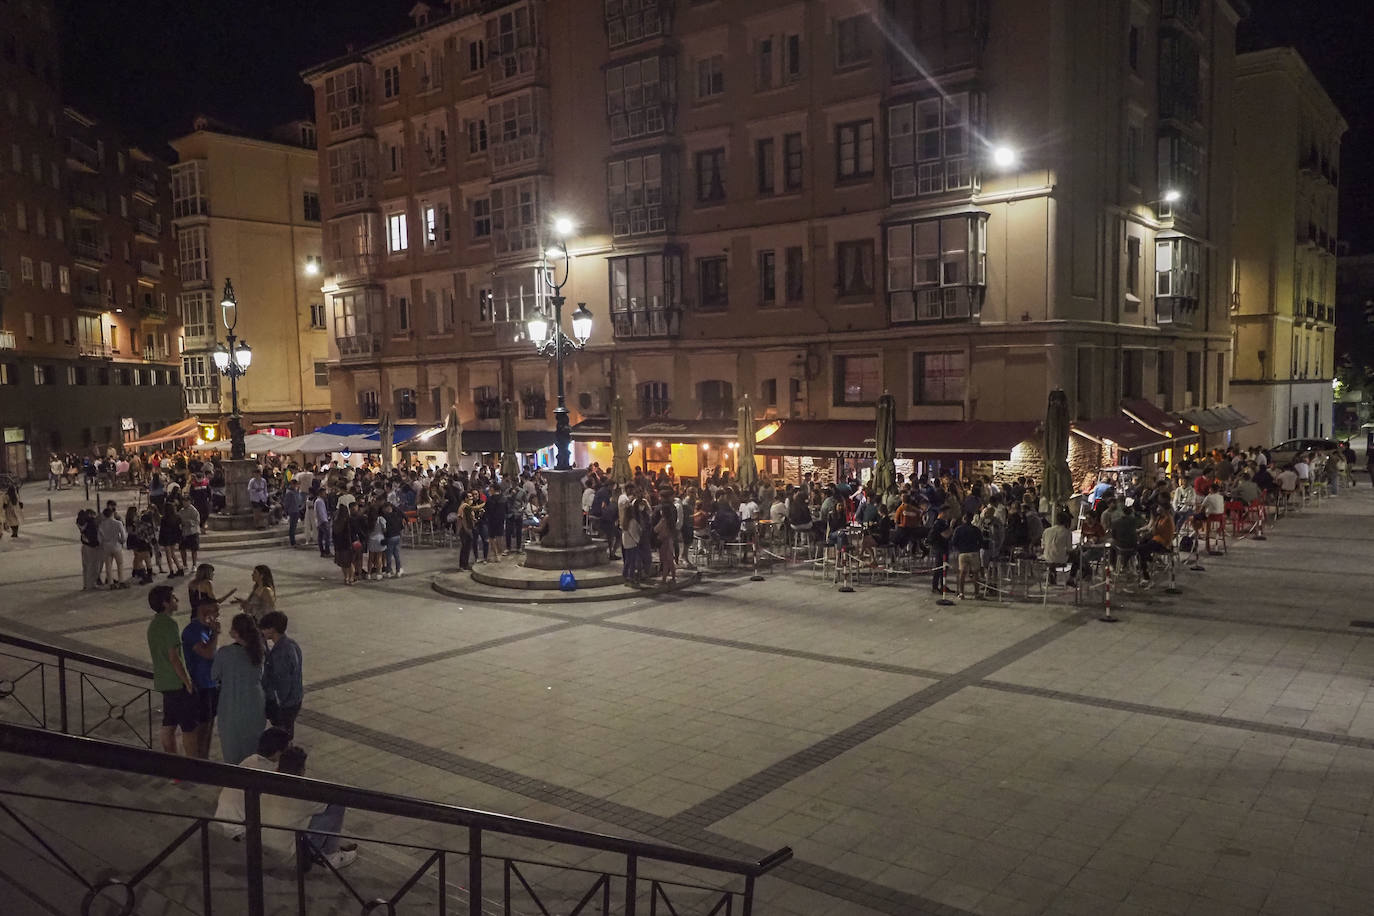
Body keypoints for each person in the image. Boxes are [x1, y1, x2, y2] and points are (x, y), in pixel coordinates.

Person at [262, 746, 358, 870]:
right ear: (301, 770)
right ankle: (331, 855)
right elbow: (329, 802)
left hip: (261, 846)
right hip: (291, 857)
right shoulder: (301, 793)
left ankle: (331, 846)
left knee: (304, 815)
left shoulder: (266, 782)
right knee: (336, 805)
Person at [213, 726, 292, 839]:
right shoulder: (267, 774)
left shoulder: (250, 760)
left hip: (222, 817)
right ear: (277, 753)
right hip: (238, 829)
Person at [147, 585, 198, 757]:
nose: (177, 600)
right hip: (176, 682)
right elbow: (174, 657)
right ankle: (193, 766)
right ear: (166, 603)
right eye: (174, 598)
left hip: (163, 681)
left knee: (168, 724)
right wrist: (187, 682)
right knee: (188, 727)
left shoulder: (154, 624)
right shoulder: (169, 625)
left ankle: (173, 766)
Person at [212, 613, 267, 765]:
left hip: (231, 704)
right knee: (252, 750)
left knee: (232, 750)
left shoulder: (225, 653)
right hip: (255, 704)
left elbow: (214, 675)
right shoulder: (259, 651)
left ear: (236, 632)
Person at [182, 599, 222, 759]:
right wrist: (216, 634)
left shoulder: (207, 628)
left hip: (212, 682)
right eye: (216, 611)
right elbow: (208, 653)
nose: (218, 615)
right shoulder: (192, 631)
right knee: (202, 722)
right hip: (201, 684)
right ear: (205, 612)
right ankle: (199, 757)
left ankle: (204, 755)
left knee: (210, 719)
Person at [260, 611, 303, 737]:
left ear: (272, 629)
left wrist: (278, 703)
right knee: (287, 732)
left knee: (282, 735)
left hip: (286, 703)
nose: (262, 631)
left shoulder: (281, 652)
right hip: (295, 698)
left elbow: (283, 682)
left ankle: (285, 755)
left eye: (264, 628)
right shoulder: (291, 644)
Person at [949, 512, 984, 599]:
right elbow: (981, 541)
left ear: (963, 519)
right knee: (976, 573)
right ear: (972, 519)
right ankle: (977, 593)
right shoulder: (976, 529)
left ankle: (961, 593)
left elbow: (954, 542)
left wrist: (959, 549)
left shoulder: (958, 529)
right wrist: (977, 548)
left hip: (963, 553)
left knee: (962, 573)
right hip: (973, 553)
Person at [98, 505, 128, 589]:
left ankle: (110, 583)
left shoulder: (101, 525)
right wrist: (121, 541)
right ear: (112, 514)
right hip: (116, 545)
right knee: (120, 564)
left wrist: (102, 544)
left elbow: (99, 538)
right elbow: (123, 536)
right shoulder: (118, 523)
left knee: (108, 565)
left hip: (106, 546)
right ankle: (121, 581)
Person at [332, 508, 356, 585]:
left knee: (343, 564)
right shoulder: (348, 522)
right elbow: (351, 535)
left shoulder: (335, 523)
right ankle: (351, 578)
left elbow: (333, 537)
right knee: (350, 563)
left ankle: (346, 578)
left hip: (339, 546)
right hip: (347, 546)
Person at [177, 498, 203, 571]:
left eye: (186, 502)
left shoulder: (194, 511)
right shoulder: (181, 511)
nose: (184, 503)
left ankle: (194, 565)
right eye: (183, 502)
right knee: (182, 549)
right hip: (184, 532)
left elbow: (197, 521)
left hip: (193, 532)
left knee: (194, 549)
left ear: (189, 502)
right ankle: (185, 564)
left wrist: (189, 522)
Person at [381, 501, 404, 577]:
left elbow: (384, 529)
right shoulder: (397, 516)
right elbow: (401, 526)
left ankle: (389, 571)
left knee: (389, 555)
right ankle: (398, 570)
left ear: (387, 508)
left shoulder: (384, 517)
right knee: (396, 554)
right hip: (397, 536)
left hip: (390, 537)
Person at [282, 480, 303, 547]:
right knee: (292, 527)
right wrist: (285, 511)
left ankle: (294, 541)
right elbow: (287, 503)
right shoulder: (289, 493)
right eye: (294, 484)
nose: (295, 486)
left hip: (296, 510)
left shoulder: (296, 492)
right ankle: (292, 542)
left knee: (294, 526)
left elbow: (299, 500)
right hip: (292, 511)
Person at [314, 487, 332, 558]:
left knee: (320, 537)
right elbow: (321, 513)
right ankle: (327, 551)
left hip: (320, 521)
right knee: (327, 536)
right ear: (321, 493)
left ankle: (322, 552)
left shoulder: (320, 501)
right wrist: (325, 520)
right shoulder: (319, 501)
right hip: (323, 521)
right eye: (324, 493)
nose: (325, 494)